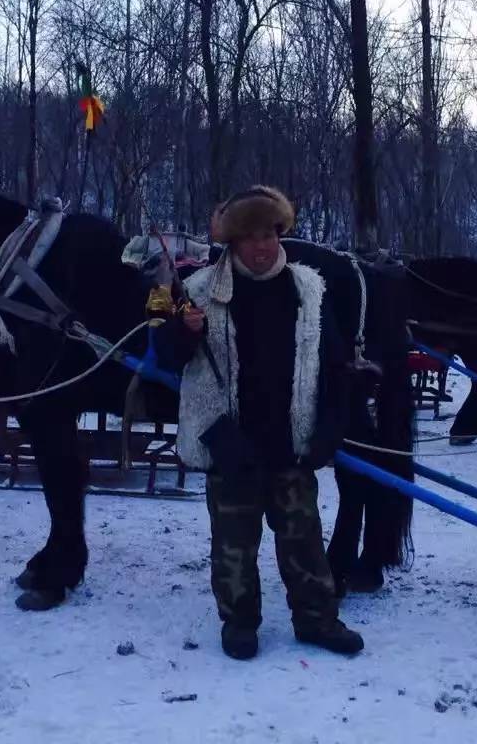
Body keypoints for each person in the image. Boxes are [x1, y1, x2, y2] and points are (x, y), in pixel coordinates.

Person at [174, 186, 363, 661]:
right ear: (232, 244)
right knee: (233, 548)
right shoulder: (197, 293)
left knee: (304, 543)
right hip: (230, 443)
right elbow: (167, 363)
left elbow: (336, 368)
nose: (261, 247)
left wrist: (328, 431)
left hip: (291, 443)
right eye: (248, 238)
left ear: (281, 235)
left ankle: (317, 619)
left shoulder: (309, 291)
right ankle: (239, 623)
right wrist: (183, 332)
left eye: (268, 235)